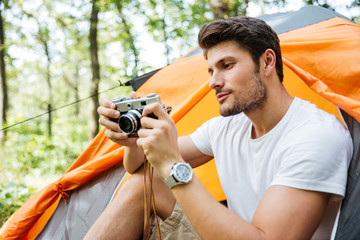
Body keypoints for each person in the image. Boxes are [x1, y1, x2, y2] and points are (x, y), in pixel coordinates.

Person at [84, 16, 353, 239]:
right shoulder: (226, 129)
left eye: (227, 65)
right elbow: (141, 168)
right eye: (211, 71)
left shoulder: (316, 135)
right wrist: (134, 141)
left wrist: (173, 165)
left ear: (268, 62)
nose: (214, 82)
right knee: (144, 184)